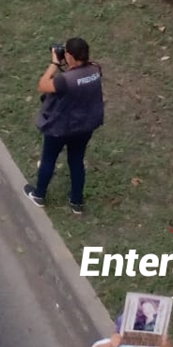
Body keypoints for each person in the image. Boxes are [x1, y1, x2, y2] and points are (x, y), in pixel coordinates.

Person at [24, 37, 104, 214]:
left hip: (61, 127)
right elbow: (82, 75)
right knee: (76, 161)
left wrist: (54, 63)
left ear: (69, 56)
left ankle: (39, 195)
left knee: (48, 159)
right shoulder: (96, 70)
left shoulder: (65, 80)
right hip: (84, 126)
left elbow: (43, 85)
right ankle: (76, 202)